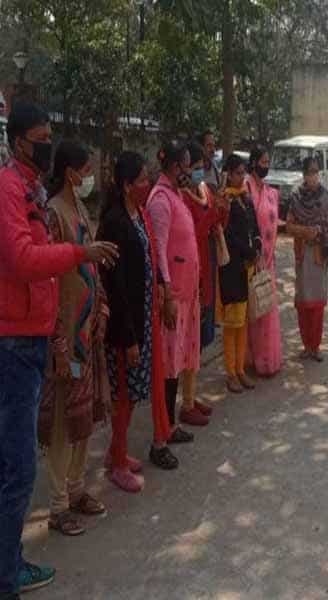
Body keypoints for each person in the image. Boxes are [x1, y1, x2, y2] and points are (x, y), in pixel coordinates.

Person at [0, 102, 117, 598]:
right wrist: (78, 254)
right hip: (19, 340)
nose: (46, 146)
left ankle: (11, 559)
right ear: (19, 142)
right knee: (21, 461)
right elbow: (24, 259)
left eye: (50, 138)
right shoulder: (12, 191)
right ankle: (8, 573)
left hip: (50, 331)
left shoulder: (31, 191)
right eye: (41, 139)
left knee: (58, 431)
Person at [38, 140, 110, 536]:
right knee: (62, 425)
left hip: (86, 334)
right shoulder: (53, 214)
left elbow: (90, 265)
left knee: (82, 418)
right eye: (85, 170)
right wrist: (58, 344)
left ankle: (77, 487)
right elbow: (49, 280)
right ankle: (57, 505)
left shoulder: (80, 208)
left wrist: (101, 306)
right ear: (69, 173)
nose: (89, 177)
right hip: (66, 336)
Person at [98, 151, 179, 494]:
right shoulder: (115, 222)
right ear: (126, 184)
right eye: (143, 179)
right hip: (125, 325)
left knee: (131, 395)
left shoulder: (138, 214)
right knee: (124, 396)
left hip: (143, 318)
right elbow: (116, 286)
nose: (148, 184)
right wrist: (129, 337)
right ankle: (117, 464)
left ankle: (116, 452)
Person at [146, 141, 206, 434]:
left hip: (186, 292)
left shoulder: (176, 195)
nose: (190, 171)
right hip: (172, 296)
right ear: (173, 166)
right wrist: (167, 293)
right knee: (168, 364)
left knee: (178, 359)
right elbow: (158, 250)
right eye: (187, 165)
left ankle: (170, 422)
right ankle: (165, 427)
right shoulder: (160, 199)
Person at [181, 141, 228, 414]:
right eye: (195, 167)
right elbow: (195, 230)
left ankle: (192, 394)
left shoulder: (204, 189)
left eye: (201, 166)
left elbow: (217, 222)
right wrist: (212, 214)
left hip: (208, 265)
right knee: (190, 338)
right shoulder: (182, 197)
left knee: (202, 338)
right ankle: (186, 401)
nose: (199, 171)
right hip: (193, 269)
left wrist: (222, 209)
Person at [286, 157, 328, 362]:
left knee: (317, 305)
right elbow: (289, 226)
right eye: (310, 172)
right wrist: (305, 231)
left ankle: (315, 346)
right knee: (303, 304)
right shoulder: (296, 197)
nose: (314, 176)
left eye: (316, 171)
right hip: (302, 255)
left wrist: (320, 233)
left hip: (319, 256)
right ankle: (306, 346)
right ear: (304, 175)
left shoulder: (325, 196)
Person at [218, 153, 261, 393]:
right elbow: (228, 235)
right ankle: (230, 373)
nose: (241, 177)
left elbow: (254, 225)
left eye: (243, 172)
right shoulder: (225, 200)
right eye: (237, 173)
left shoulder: (245, 196)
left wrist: (257, 245)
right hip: (232, 267)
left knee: (243, 321)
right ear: (228, 174)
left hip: (248, 266)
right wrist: (248, 251)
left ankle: (240, 369)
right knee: (232, 323)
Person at [245, 146, 283, 377]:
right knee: (253, 310)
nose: (266, 166)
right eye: (263, 162)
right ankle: (251, 360)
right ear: (253, 163)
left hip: (269, 260)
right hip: (252, 259)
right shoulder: (246, 188)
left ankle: (268, 360)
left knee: (267, 308)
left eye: (268, 162)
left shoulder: (270, 192)